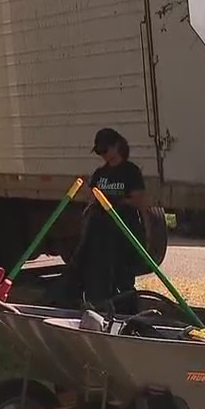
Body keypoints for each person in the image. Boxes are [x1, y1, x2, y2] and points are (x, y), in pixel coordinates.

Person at [58, 127, 150, 315]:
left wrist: (118, 203)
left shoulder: (130, 171)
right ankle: (98, 307)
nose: (103, 155)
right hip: (100, 231)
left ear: (116, 146)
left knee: (122, 274)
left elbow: (139, 201)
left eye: (104, 150)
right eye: (99, 152)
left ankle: (125, 310)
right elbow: (92, 200)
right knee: (97, 273)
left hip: (122, 229)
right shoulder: (100, 174)